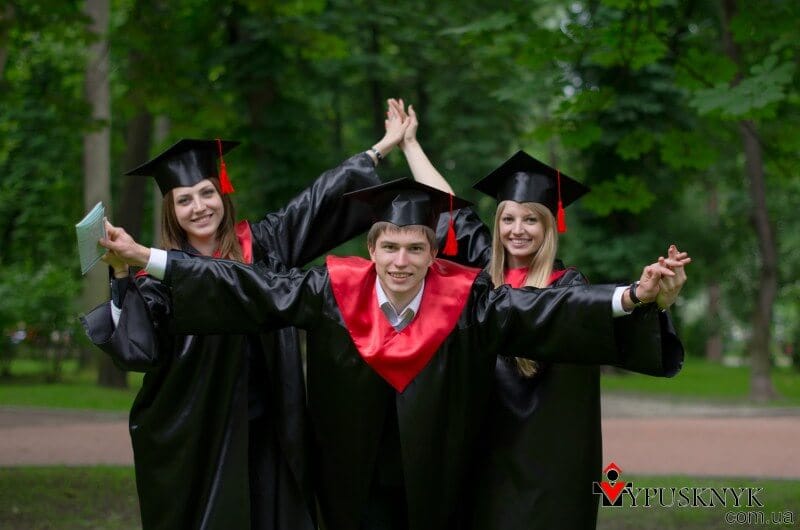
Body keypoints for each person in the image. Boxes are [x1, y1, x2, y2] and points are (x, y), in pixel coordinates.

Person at [97, 174, 686, 530]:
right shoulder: (330, 289)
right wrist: (148, 258)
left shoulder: (467, 301)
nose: (401, 262)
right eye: (390, 248)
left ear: (433, 254)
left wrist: (635, 296)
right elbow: (248, 285)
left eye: (415, 249)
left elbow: (547, 309)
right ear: (371, 249)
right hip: (351, 474)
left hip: (437, 475)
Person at [80, 125, 407, 530]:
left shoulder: (263, 245)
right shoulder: (156, 281)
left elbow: (316, 201)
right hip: (200, 430)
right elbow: (137, 352)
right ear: (171, 211)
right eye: (184, 199)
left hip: (270, 422)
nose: (199, 207)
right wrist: (122, 275)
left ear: (222, 194)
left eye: (207, 193)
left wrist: (379, 149)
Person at [387, 99, 688, 529]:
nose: (517, 229)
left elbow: (593, 313)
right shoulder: (482, 275)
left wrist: (649, 299)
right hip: (480, 446)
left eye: (531, 219)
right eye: (508, 218)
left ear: (549, 226)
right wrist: (410, 145)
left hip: (545, 457)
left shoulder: (567, 285)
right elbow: (448, 207)